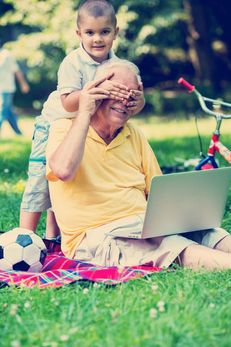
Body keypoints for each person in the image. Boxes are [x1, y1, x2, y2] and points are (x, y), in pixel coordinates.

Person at [46, 59, 231, 270]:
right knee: (169, 245)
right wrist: (84, 112)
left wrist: (182, 218)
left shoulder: (133, 133)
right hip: (96, 236)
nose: (125, 101)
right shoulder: (64, 128)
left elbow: (158, 191)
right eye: (116, 92)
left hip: (142, 224)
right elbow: (63, 170)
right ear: (96, 91)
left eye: (131, 95)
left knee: (209, 233)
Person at [19, 0, 145, 240]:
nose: (97, 39)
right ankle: (25, 236)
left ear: (115, 33)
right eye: (90, 33)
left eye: (104, 32)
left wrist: (138, 102)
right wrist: (94, 90)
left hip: (84, 129)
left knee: (69, 180)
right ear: (79, 34)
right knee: (40, 180)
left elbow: (134, 103)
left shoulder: (119, 66)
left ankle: (53, 235)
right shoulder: (72, 63)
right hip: (53, 124)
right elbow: (67, 102)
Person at [0, 42, 29, 135]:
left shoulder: (6, 55)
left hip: (6, 89)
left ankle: (18, 133)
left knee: (3, 110)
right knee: (8, 112)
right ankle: (18, 133)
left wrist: (23, 84)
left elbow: (16, 70)